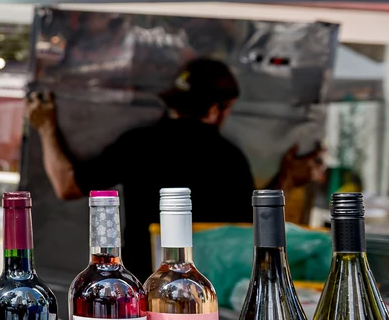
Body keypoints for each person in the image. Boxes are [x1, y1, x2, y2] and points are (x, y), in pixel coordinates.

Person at [26, 57, 323, 280]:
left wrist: (46, 127)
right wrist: (286, 177)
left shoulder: (139, 143)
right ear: (216, 109)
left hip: (144, 282)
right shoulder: (229, 157)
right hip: (206, 291)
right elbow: (251, 230)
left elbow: (66, 186)